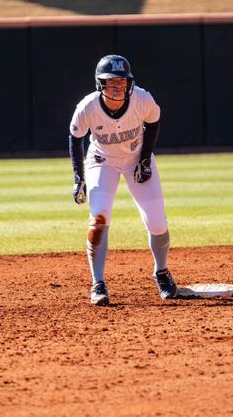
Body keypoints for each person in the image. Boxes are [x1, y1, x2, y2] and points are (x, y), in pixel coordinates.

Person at [69, 54, 178, 306]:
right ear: (100, 85)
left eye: (122, 81)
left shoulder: (142, 99)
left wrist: (145, 158)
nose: (118, 86)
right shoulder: (88, 107)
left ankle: (161, 272)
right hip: (101, 161)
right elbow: (75, 137)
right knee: (99, 216)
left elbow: (153, 123)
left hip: (136, 159)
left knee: (157, 221)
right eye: (111, 82)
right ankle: (98, 282)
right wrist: (78, 177)